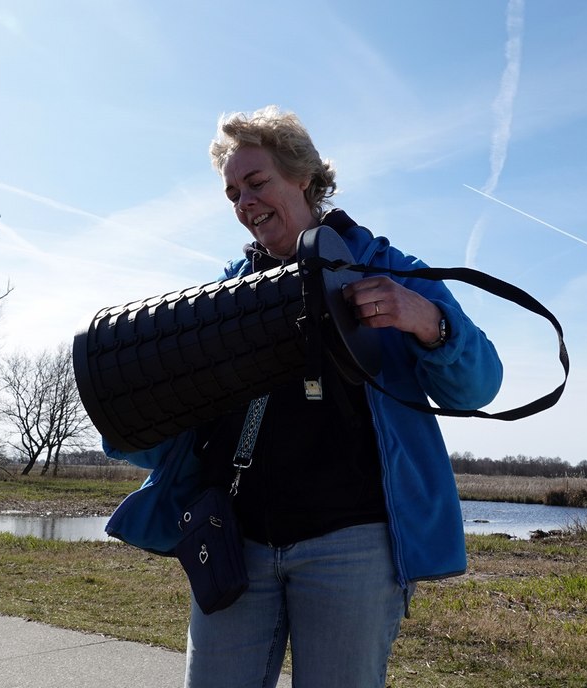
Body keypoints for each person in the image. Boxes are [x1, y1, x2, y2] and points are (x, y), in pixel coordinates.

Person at [104, 106, 503, 688]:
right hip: (238, 542)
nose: (245, 202)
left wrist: (428, 321)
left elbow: (480, 384)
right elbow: (182, 424)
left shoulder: (386, 268)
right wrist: (130, 412)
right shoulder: (225, 292)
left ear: (305, 177)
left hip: (355, 547)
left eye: (258, 182)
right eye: (233, 192)